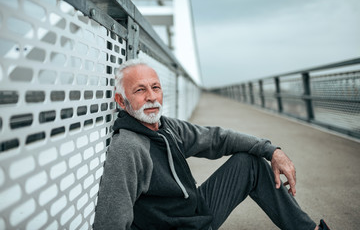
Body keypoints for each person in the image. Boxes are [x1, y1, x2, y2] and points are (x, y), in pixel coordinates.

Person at [93, 59, 330, 230]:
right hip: (175, 225)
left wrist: (272, 150)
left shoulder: (167, 128)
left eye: (155, 87)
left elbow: (218, 138)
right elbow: (111, 220)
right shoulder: (128, 147)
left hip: (197, 211)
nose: (152, 97)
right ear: (121, 101)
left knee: (250, 162)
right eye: (140, 91)